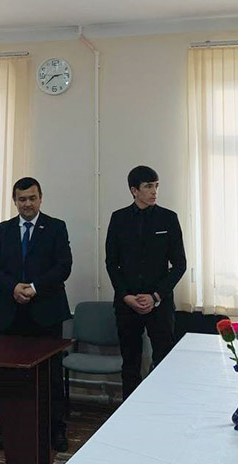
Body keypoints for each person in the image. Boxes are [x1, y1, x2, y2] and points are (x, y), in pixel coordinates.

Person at [0, 177, 72, 452]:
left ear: (41, 198)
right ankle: (7, 428)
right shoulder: (3, 230)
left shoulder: (56, 227)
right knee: (9, 377)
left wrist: (34, 287)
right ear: (15, 201)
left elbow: (63, 267)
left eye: (32, 198)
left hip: (46, 314)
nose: (28, 204)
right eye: (22, 199)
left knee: (51, 375)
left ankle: (55, 429)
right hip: (10, 314)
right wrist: (13, 287)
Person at [105, 165, 186, 400]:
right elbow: (112, 263)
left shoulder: (168, 218)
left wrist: (155, 296)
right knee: (130, 363)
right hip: (127, 304)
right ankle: (128, 411)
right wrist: (126, 296)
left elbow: (179, 264)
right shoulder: (119, 219)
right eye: (148, 186)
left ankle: (162, 407)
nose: (154, 191)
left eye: (156, 186)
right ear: (134, 190)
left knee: (163, 360)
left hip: (159, 304)